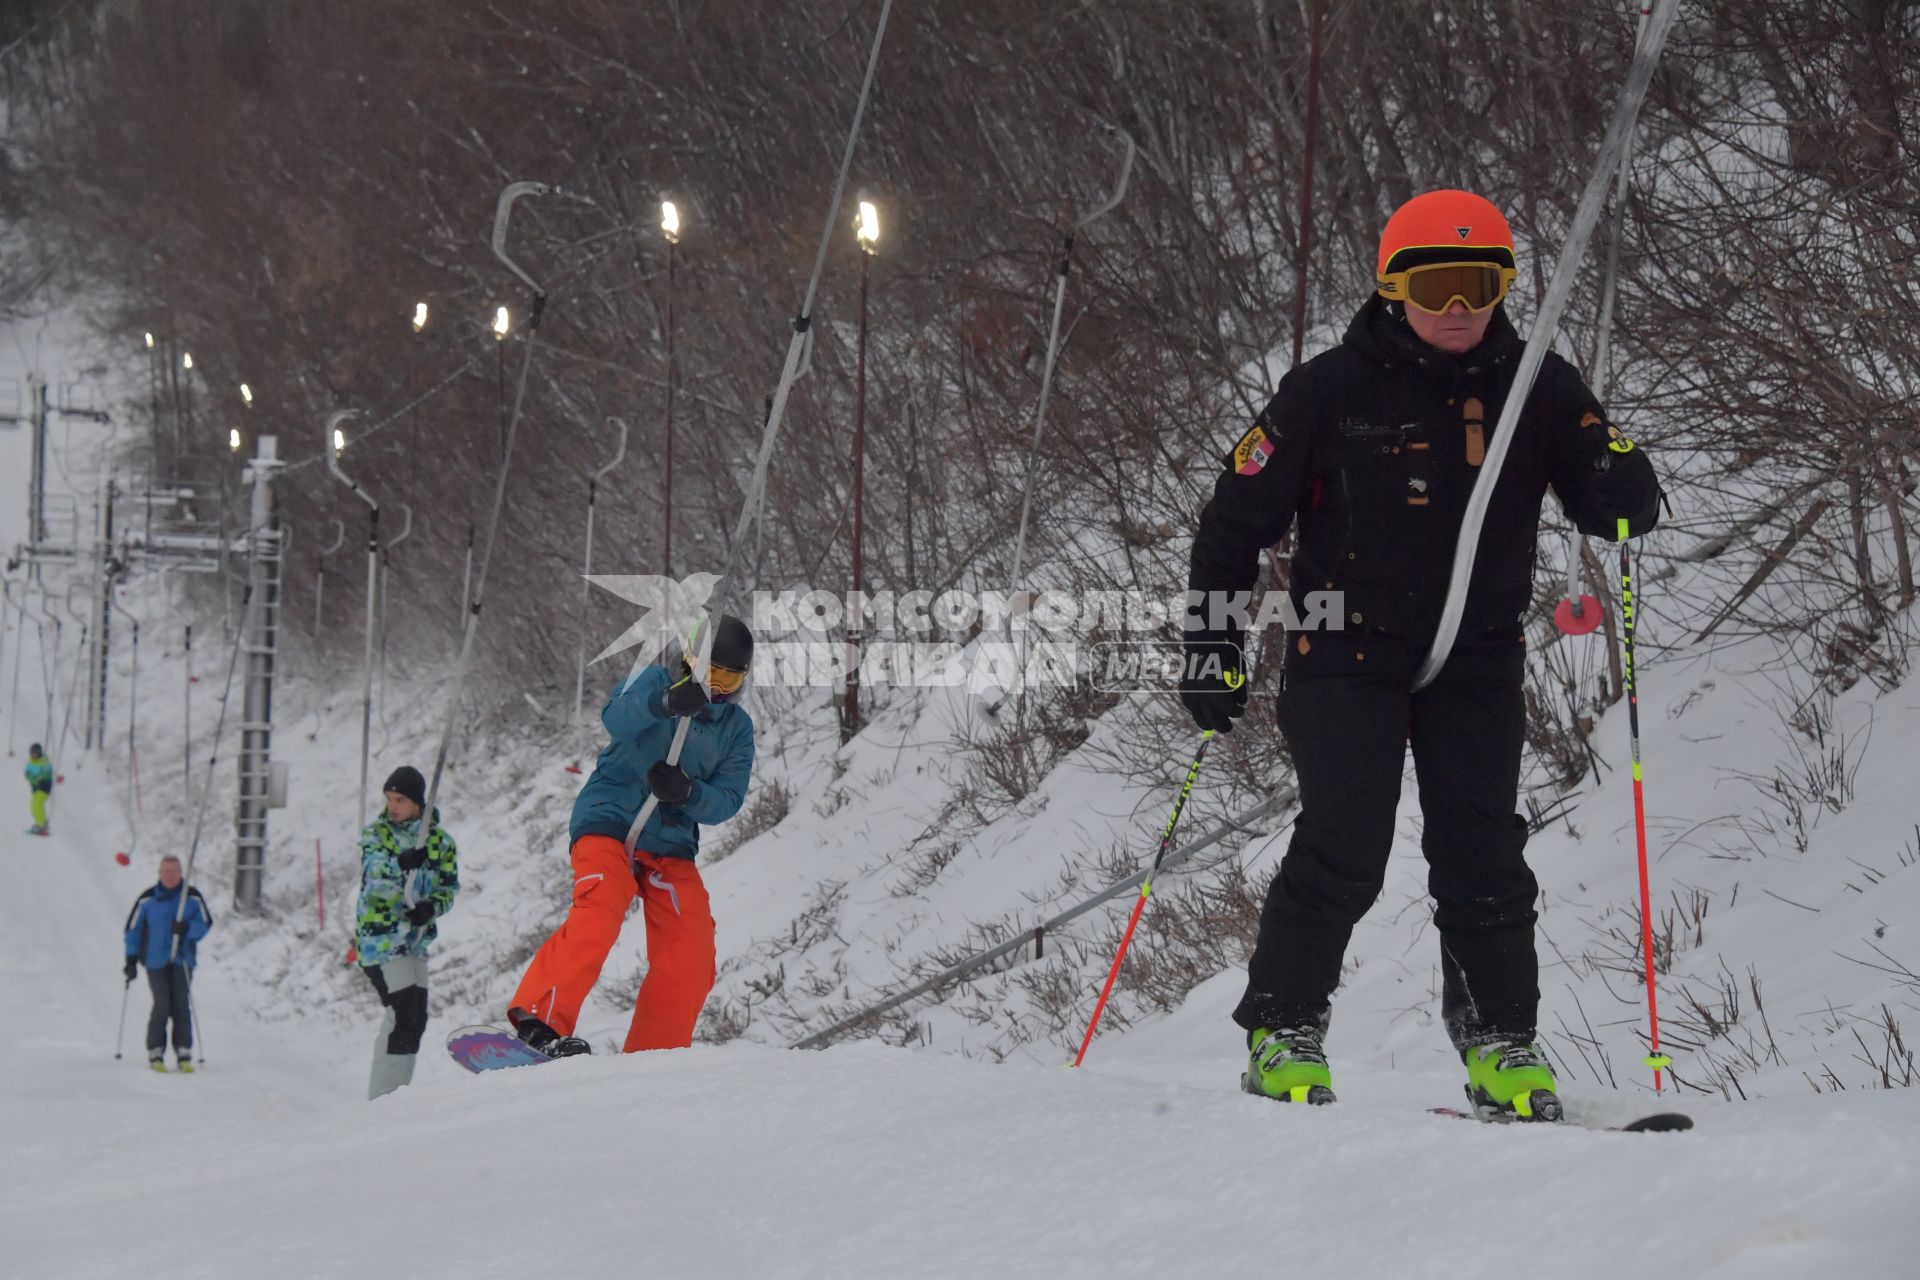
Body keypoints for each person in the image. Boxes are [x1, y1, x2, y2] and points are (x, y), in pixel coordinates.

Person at [1181, 189, 1661, 1120]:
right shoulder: (1328, 390)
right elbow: (1233, 521)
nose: (1456, 306)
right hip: (1342, 651)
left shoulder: (1539, 387)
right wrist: (1211, 643)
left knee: (1482, 849)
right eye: (1435, 284)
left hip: (1475, 656)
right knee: (1347, 839)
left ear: (1503, 289)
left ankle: (1500, 1042)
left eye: (1476, 284)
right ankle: (1282, 1029)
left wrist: (1622, 482)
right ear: (1395, 287)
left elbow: (1622, 500)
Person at [507, 615, 756, 1057]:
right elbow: (615, 718)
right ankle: (538, 1023)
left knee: (692, 947)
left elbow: (728, 799)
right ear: (688, 660)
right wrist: (664, 703)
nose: (716, 687)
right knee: (602, 904)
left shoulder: (735, 728)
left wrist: (689, 792)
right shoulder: (653, 680)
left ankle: (654, 1054)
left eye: (728, 677)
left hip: (671, 842)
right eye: (709, 672)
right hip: (610, 818)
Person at [355, 765, 460, 1099]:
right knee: (402, 1013)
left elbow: (448, 887)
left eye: (400, 799)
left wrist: (431, 908)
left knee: (415, 1017)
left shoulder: (440, 842)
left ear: (417, 802)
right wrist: (400, 863)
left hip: (414, 943)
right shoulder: (377, 835)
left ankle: (397, 1094)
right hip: (380, 941)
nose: (393, 806)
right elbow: (373, 879)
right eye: (389, 799)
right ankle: (381, 1099)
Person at [123, 855, 213, 1072]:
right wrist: (131, 959)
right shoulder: (147, 899)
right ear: (159, 873)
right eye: (166, 872)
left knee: (181, 1004)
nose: (170, 876)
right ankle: (156, 1050)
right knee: (162, 1004)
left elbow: (204, 924)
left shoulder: (191, 898)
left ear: (180, 873)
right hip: (155, 960)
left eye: (174, 871)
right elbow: (133, 930)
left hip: (183, 959)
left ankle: (183, 1049)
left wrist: (186, 929)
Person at [23, 742, 52, 835]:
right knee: (33, 805)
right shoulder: (30, 761)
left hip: (44, 785)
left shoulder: (44, 761)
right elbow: (27, 773)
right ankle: (40, 823)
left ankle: (42, 825)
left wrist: (38, 777)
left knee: (37, 803)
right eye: (32, 752)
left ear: (39, 753)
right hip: (35, 786)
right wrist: (32, 778)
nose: (33, 755)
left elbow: (47, 772)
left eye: (35, 753)